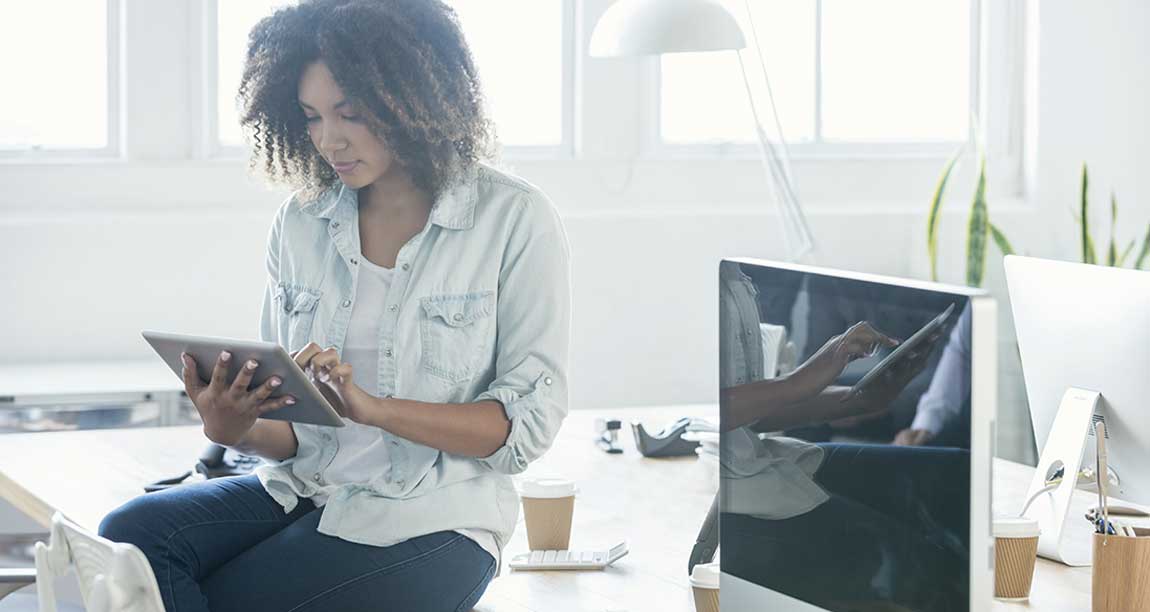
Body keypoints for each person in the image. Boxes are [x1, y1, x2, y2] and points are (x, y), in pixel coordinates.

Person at [98, 2, 571, 610]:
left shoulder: (514, 220)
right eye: (312, 117)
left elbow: (521, 430)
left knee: (228, 597)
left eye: (351, 114)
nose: (330, 140)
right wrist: (231, 424)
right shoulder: (301, 221)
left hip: (434, 515)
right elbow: (293, 435)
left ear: (416, 98)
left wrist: (375, 410)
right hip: (307, 489)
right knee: (129, 539)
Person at [719, 262, 970, 611]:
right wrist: (796, 382)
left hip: (761, 457)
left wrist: (860, 400)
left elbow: (751, 413)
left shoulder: (734, 274)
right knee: (925, 561)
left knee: (958, 473)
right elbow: (709, 410)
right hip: (736, 486)